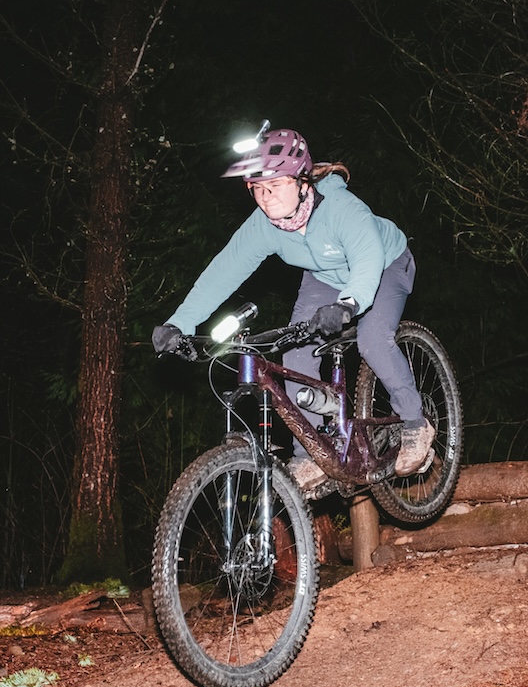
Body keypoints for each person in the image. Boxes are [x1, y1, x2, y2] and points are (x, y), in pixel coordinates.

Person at [152, 126, 435, 488]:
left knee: (373, 339)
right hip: (325, 277)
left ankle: (415, 423)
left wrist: (349, 304)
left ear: (302, 181)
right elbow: (222, 273)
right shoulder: (265, 226)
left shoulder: (342, 208)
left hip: (385, 264)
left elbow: (367, 257)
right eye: (257, 189)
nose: (266, 198)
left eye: (275, 186)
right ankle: (315, 454)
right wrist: (180, 324)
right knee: (296, 354)